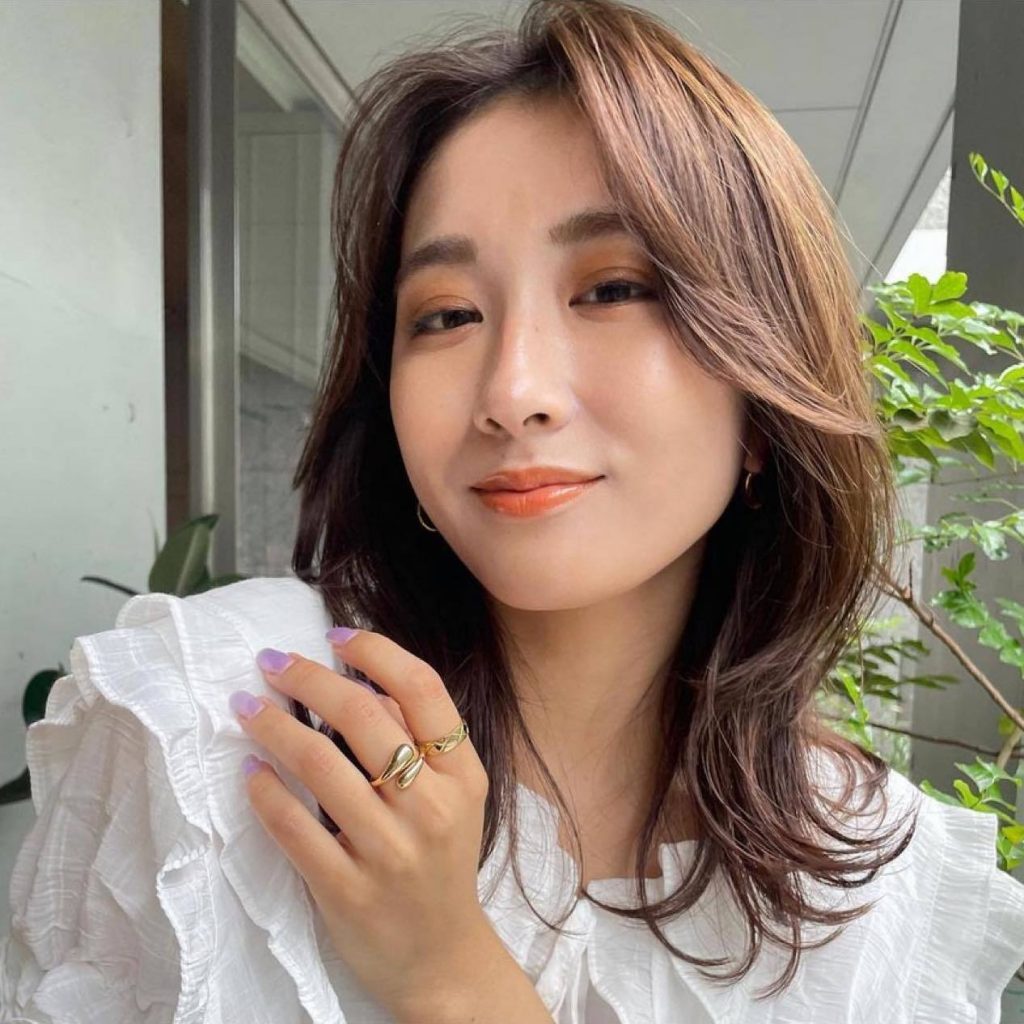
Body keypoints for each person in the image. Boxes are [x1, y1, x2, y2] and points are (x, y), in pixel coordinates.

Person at [3, 0, 1024, 1021]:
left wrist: (451, 977)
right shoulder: (206, 727)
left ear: (762, 395)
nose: (512, 391)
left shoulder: (889, 893)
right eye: (446, 314)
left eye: (612, 289)